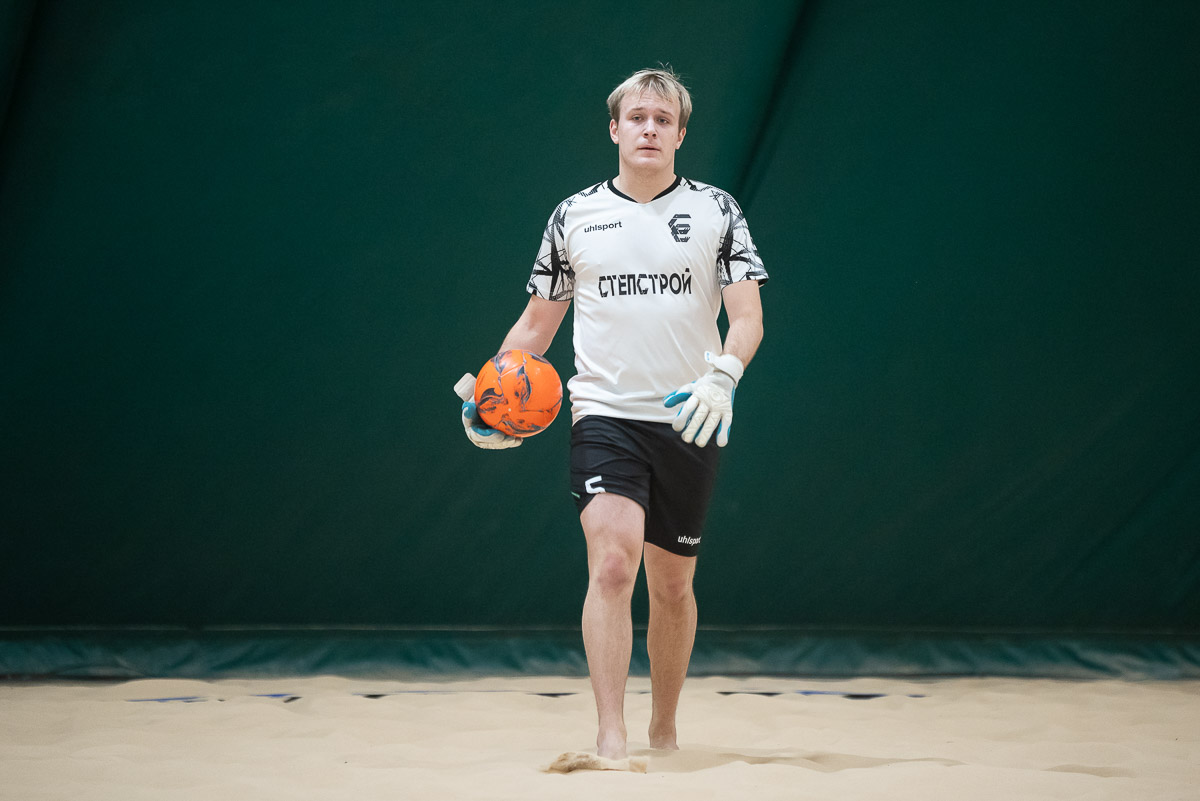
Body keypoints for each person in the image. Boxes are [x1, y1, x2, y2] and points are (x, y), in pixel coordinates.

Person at [459, 67, 767, 761]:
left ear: (680, 134)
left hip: (690, 417)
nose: (649, 128)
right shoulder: (574, 216)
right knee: (612, 567)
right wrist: (488, 391)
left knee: (672, 586)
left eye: (664, 119)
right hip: (604, 415)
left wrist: (724, 375)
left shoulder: (717, 211)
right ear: (614, 129)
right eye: (637, 117)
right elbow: (535, 327)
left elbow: (747, 316)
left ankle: (664, 728)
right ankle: (610, 736)